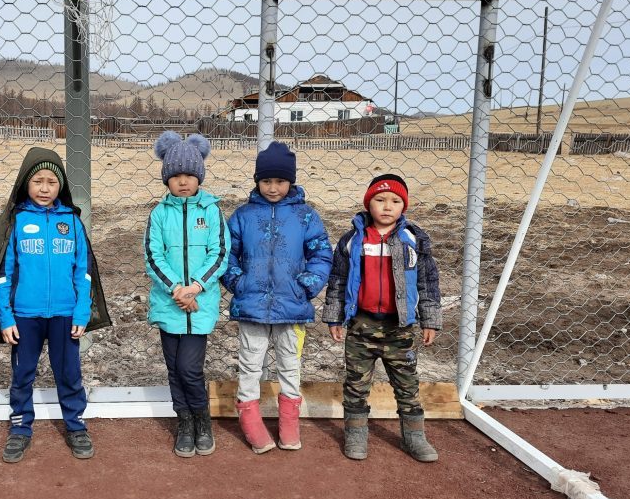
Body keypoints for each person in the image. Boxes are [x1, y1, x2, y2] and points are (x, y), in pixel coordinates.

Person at [0, 147, 110, 464]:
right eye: (37, 181)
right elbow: (2, 274)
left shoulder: (71, 222)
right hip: (24, 317)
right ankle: (20, 428)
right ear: (25, 183)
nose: (44, 188)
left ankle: (76, 426)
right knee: (23, 374)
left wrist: (82, 311)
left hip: (65, 315)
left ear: (61, 185)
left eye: (51, 181)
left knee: (69, 373)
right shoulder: (14, 222)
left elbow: (83, 271)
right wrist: (6, 317)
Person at [321, 173, 442, 462]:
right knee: (355, 384)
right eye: (380, 199)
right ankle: (355, 434)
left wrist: (430, 319)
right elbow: (338, 280)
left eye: (395, 201)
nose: (387, 206)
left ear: (404, 206)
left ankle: (414, 436)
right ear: (368, 203)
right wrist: (334, 317)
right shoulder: (353, 240)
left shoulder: (413, 240)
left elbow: (427, 282)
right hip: (361, 326)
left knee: (407, 384)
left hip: (400, 329)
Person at [221, 141, 332, 453]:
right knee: (250, 365)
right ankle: (251, 423)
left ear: (291, 182)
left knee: (290, 366)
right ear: (257, 181)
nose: (273, 187)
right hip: (251, 306)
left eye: (280, 181)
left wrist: (306, 286)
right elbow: (227, 254)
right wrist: (238, 282)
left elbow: (321, 254)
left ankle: (289, 426)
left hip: (292, 306)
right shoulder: (242, 216)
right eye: (266, 180)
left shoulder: (306, 216)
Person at [144, 130, 230, 458]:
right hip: (170, 303)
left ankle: (202, 420)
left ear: (199, 178)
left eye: (189, 175)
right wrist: (177, 289)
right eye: (176, 175)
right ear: (166, 178)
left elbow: (219, 252)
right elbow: (153, 256)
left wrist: (195, 287)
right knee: (173, 368)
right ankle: (184, 422)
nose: (183, 181)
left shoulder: (211, 211)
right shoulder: (159, 213)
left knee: (189, 368)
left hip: (199, 303)